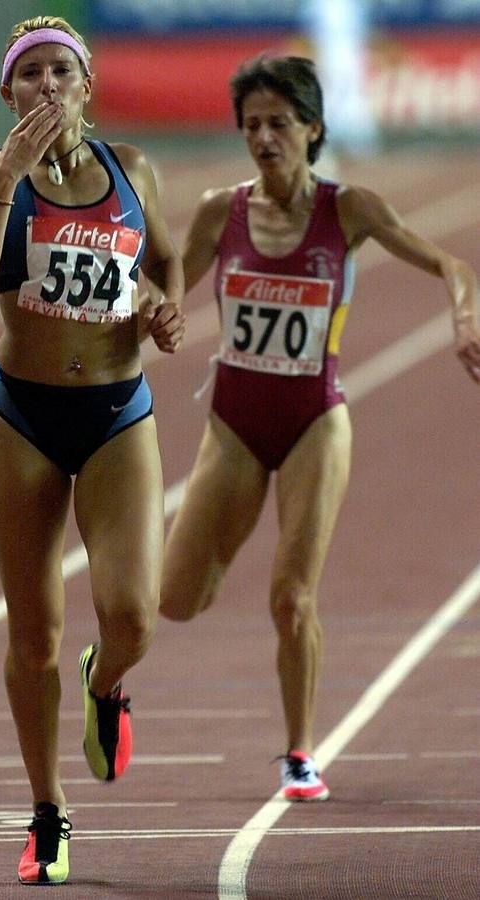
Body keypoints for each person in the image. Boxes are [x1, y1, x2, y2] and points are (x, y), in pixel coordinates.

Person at [160, 54, 480, 803]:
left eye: (278, 122)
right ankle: (103, 680)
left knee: (291, 596)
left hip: (315, 418)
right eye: (251, 125)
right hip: (235, 419)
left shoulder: (351, 210)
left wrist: (462, 312)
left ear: (312, 128)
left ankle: (299, 752)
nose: (263, 137)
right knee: (175, 601)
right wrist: (152, 302)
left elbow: (450, 262)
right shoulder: (221, 210)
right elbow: (168, 278)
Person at [0, 15, 185, 886]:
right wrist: (5, 177)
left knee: (133, 617)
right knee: (33, 632)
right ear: (7, 93)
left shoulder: (133, 168)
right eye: (30, 74)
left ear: (88, 86)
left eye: (61, 72)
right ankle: (47, 812)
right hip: (19, 420)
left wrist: (165, 303)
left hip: (118, 410)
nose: (47, 86)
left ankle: (107, 682)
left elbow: (164, 258)